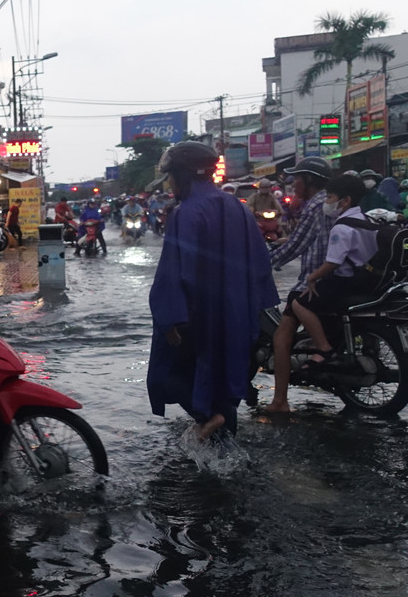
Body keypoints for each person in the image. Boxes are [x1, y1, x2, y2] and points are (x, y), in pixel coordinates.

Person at [148, 142, 279, 440]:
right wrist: (256, 307)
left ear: (183, 175)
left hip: (197, 316)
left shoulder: (186, 213)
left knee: (165, 376)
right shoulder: (238, 208)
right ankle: (225, 451)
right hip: (238, 315)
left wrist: (169, 317)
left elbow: (173, 272)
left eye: (171, 177)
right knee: (223, 377)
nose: (169, 184)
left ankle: (209, 417)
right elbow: (261, 263)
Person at [262, 158, 334, 414]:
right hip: (333, 276)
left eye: (297, 179)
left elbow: (297, 246)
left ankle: (279, 402)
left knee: (281, 337)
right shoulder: (328, 202)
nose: (293, 184)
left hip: (314, 279)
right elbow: (302, 238)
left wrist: (263, 262)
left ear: (310, 181)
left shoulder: (315, 206)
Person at [286, 174, 379, 371]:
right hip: (366, 281)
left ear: (345, 201)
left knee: (298, 303)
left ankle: (324, 350)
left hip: (344, 282)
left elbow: (333, 262)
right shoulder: (367, 220)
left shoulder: (342, 227)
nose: (326, 202)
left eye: (329, 197)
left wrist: (312, 277)